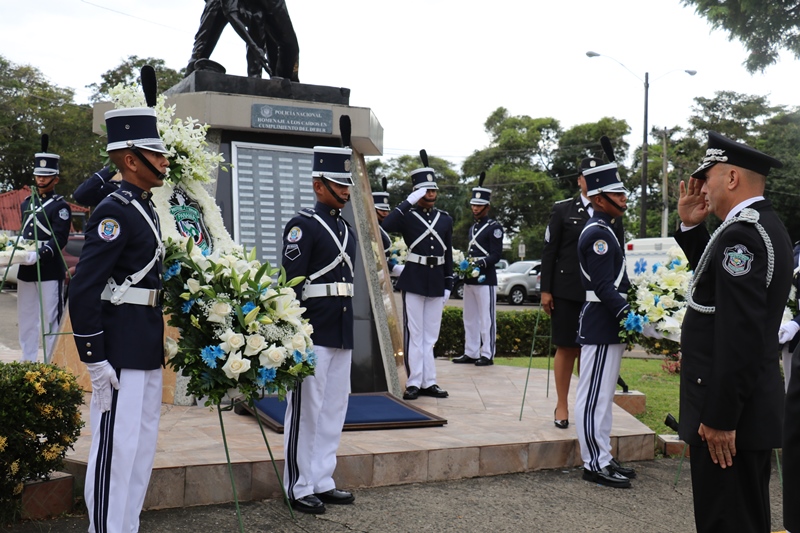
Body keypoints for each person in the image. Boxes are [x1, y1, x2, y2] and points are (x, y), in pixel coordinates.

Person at [675, 131, 790, 532]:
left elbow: (740, 334)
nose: (703, 187)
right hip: (744, 409)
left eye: (708, 177)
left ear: (732, 178)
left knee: (727, 522)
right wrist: (691, 227)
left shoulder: (742, 234)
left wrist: (721, 418)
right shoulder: (759, 226)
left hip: (729, 418)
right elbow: (716, 289)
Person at [69, 106, 170, 533]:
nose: (165, 160)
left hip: (143, 345)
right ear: (131, 160)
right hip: (119, 351)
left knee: (139, 449)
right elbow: (84, 289)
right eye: (156, 153)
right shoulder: (115, 211)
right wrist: (94, 358)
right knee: (115, 451)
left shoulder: (144, 207)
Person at [281, 145, 357, 514]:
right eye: (338, 184)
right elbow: (291, 284)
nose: (345, 190)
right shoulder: (303, 226)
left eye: (346, 184)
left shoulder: (346, 229)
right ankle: (298, 486)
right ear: (318, 185)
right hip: (312, 329)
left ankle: (322, 479)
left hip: (341, 328)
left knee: (333, 408)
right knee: (306, 410)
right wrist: (292, 333)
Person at [540, 157, 623, 428]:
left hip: (598, 295)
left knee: (591, 349)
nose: (590, 180)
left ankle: (584, 404)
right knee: (567, 347)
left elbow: (618, 254)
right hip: (567, 290)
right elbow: (550, 252)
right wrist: (546, 290)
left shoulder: (612, 210)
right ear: (579, 180)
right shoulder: (563, 209)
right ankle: (561, 404)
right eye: (586, 175)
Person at [575, 156, 636, 489]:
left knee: (604, 396)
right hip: (602, 320)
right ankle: (593, 463)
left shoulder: (607, 230)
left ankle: (604, 455)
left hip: (607, 322)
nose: (624, 200)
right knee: (593, 397)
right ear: (600, 199)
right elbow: (602, 286)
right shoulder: (598, 234)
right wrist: (628, 314)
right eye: (618, 194)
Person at [382, 163, 453, 400]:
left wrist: (448, 283)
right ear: (417, 192)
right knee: (415, 333)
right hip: (414, 279)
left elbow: (448, 253)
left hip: (437, 279)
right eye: (425, 190)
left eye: (433, 190)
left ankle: (429, 381)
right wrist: (408, 202)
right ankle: (414, 382)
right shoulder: (407, 216)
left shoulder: (445, 219)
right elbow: (385, 226)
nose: (431, 194)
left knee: (431, 336)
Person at [17, 145, 71, 363]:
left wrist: (40, 254)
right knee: (26, 317)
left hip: (48, 268)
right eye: (38, 175)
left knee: (51, 319)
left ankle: (52, 364)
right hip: (26, 267)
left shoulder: (60, 206)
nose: (41, 179)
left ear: (55, 179)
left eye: (46, 176)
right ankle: (27, 361)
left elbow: (60, 238)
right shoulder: (26, 203)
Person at [452, 175, 503, 366]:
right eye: (473, 204)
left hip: (485, 279)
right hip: (470, 279)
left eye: (479, 205)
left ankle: (487, 354)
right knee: (469, 317)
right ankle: (471, 351)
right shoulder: (473, 228)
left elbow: (496, 255)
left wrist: (479, 264)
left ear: (487, 207)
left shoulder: (494, 228)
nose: (475, 208)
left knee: (486, 318)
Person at [373, 181, 403, 277]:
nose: (385, 213)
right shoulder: (371, 229)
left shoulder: (382, 227)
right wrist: (392, 267)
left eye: (387, 210)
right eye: (382, 210)